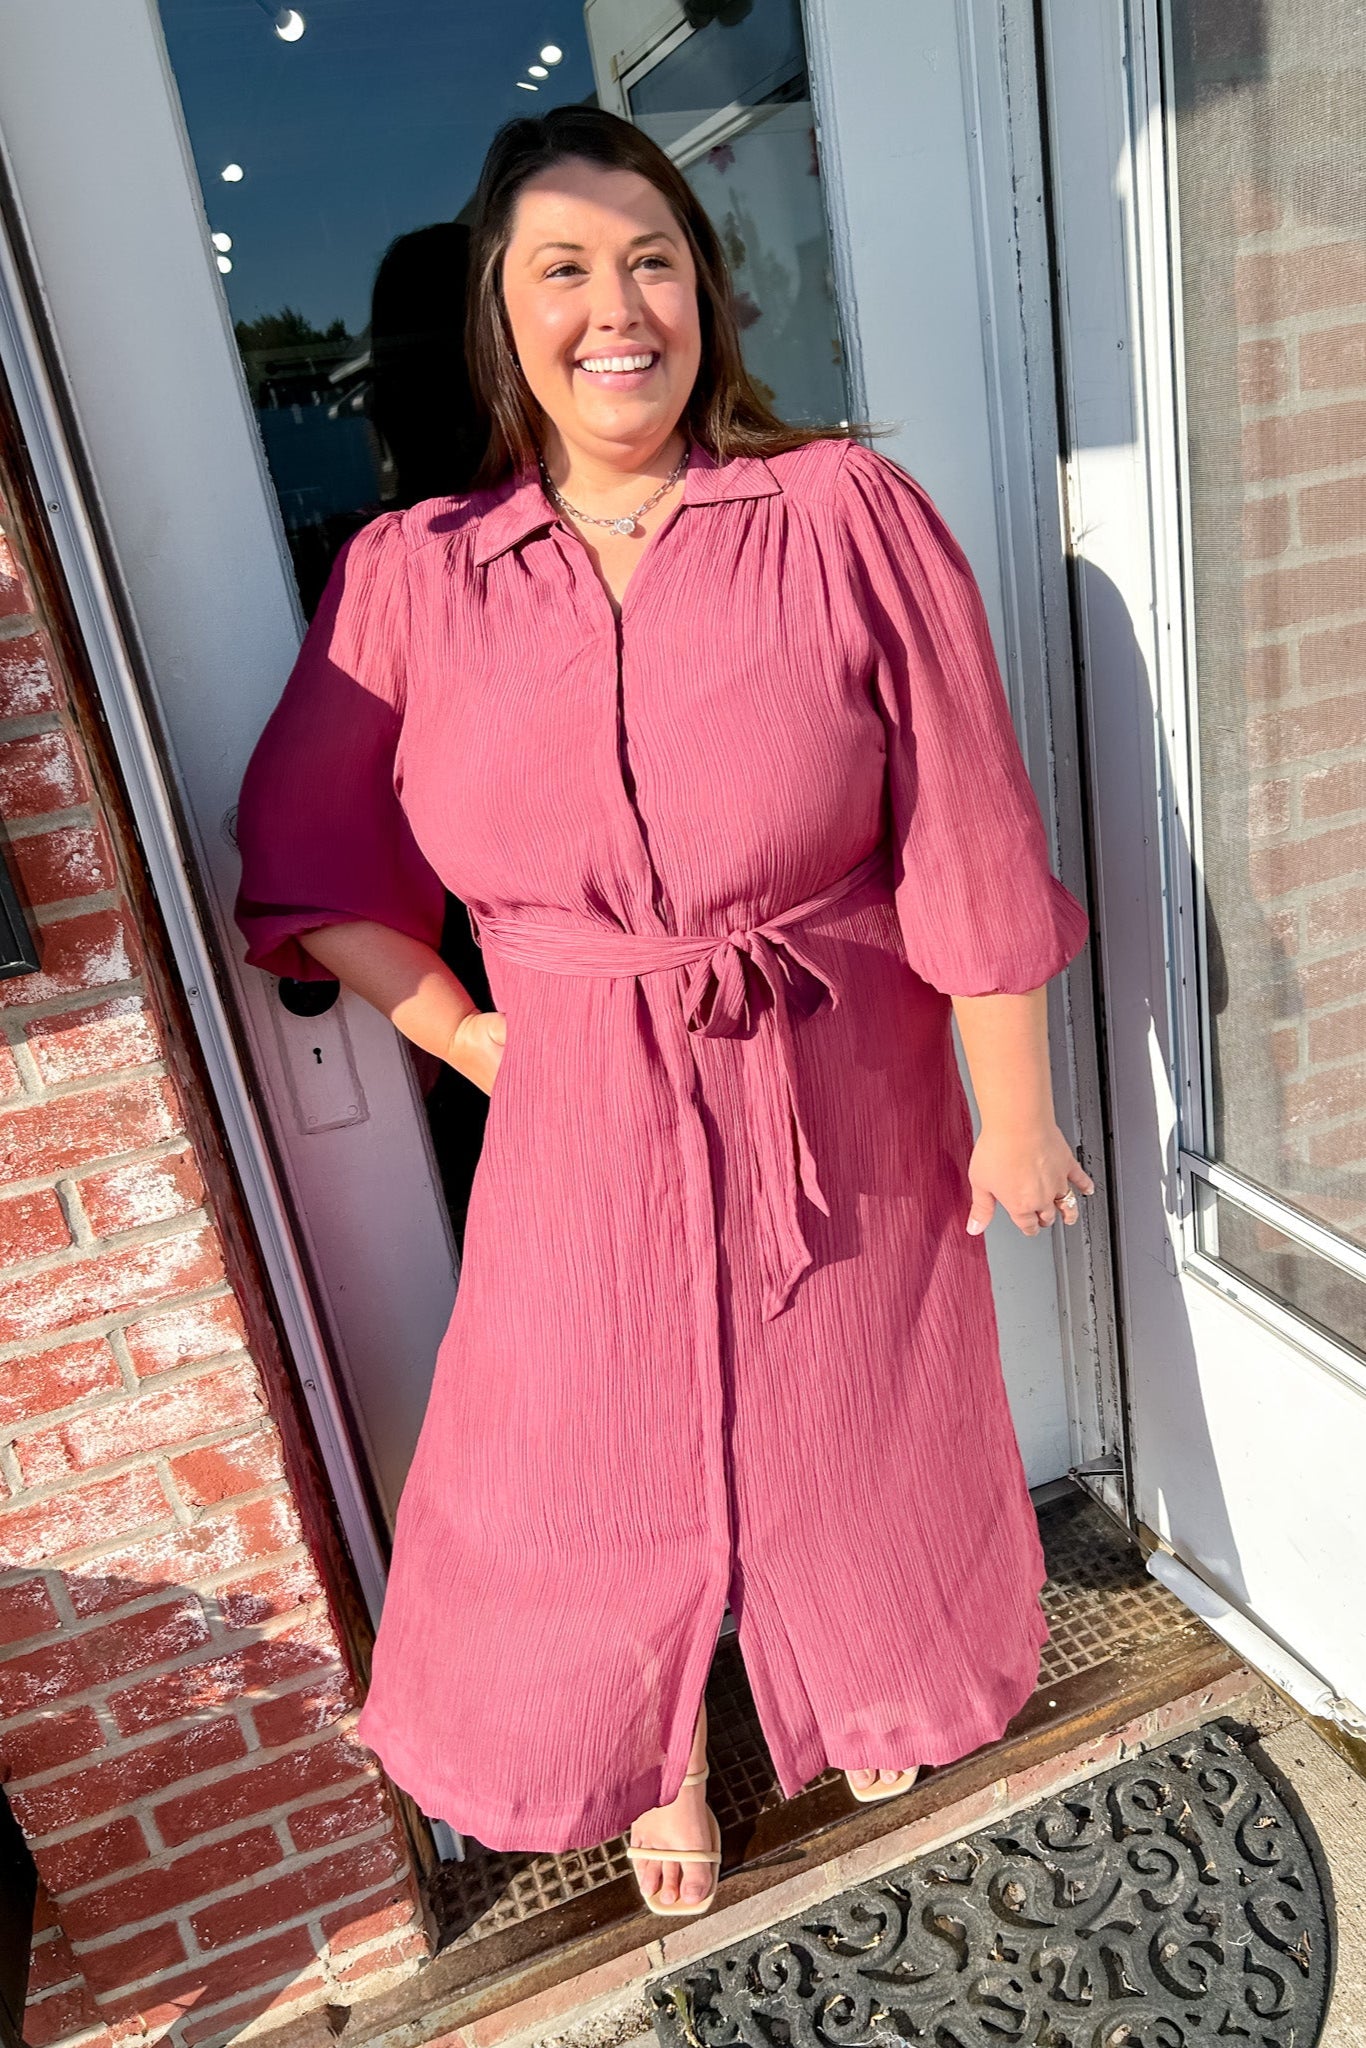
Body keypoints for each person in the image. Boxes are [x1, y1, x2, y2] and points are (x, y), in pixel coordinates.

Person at [231, 104, 1092, 1917]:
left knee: (856, 1401)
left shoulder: (839, 510)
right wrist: (465, 1033)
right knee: (578, 1442)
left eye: (652, 261)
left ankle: (863, 1670)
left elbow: (966, 816)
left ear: (706, 291)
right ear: (499, 310)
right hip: (580, 1090)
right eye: (564, 268)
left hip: (838, 1061)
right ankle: (652, 1749)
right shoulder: (415, 572)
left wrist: (1013, 1109)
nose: (616, 310)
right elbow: (303, 849)